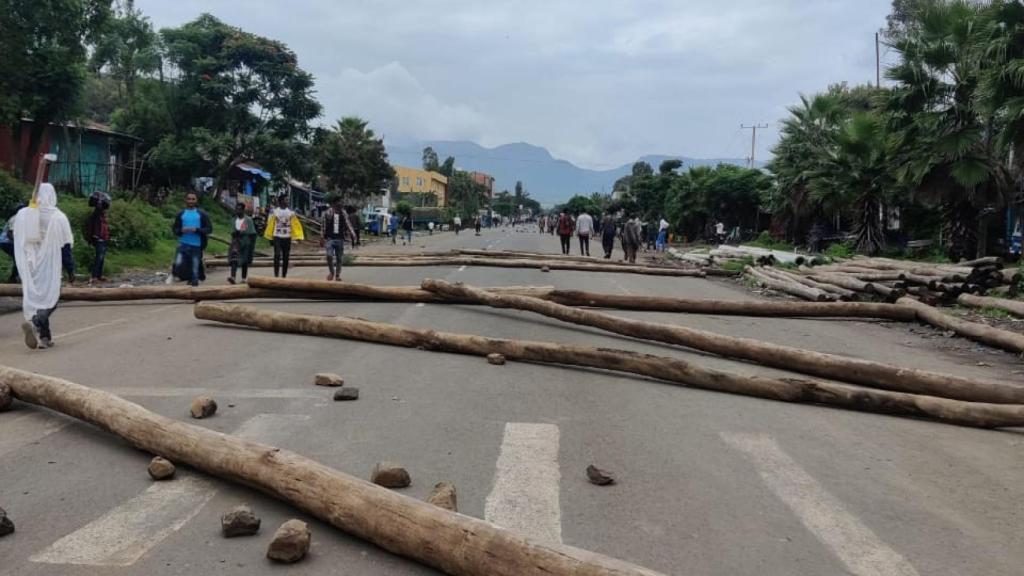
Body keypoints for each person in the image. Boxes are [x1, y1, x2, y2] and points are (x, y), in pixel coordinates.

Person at [13, 184, 73, 349]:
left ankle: (45, 338)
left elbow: (17, 237)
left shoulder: (24, 215)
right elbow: (65, 247)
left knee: (37, 299)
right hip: (49, 265)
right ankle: (37, 322)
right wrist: (71, 271)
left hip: (31, 264)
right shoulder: (58, 217)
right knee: (51, 299)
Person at [171, 192, 213, 286]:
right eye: (189, 199)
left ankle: (194, 288)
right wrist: (181, 231)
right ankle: (179, 276)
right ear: (186, 200)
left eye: (193, 199)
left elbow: (209, 229)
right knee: (178, 263)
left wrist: (197, 230)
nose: (191, 201)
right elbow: (175, 229)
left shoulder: (202, 214)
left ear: (196, 200)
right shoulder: (181, 214)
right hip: (183, 243)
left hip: (196, 245)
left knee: (195, 269)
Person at [264, 195, 304, 278]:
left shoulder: (291, 213)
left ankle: (284, 276)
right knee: (277, 255)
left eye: (288, 200)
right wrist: (270, 237)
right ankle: (276, 275)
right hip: (277, 236)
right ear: (281, 201)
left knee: (286, 257)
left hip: (287, 237)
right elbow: (270, 224)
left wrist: (298, 236)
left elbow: (296, 225)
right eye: (286, 200)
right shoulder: (275, 212)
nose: (288, 201)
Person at [321, 195, 356, 281]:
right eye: (340, 202)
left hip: (340, 238)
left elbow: (348, 224)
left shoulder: (343, 213)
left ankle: (337, 275)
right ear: (335, 203)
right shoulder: (328, 213)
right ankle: (331, 272)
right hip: (330, 238)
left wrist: (352, 234)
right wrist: (322, 237)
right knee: (329, 256)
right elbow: (323, 226)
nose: (342, 203)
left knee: (339, 258)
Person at [84, 191, 111, 284]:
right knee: (99, 257)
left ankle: (99, 275)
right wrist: (100, 198)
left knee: (102, 257)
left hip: (103, 238)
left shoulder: (102, 215)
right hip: (98, 238)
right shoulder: (97, 213)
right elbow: (98, 207)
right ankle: (94, 276)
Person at [227, 202, 257, 284]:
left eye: (239, 209)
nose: (237, 211)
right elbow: (232, 231)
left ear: (243, 210)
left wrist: (252, 245)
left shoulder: (248, 220)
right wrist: (234, 233)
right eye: (236, 209)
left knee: (244, 260)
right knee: (234, 258)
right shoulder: (234, 219)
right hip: (236, 241)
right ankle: (233, 276)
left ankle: (243, 278)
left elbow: (252, 233)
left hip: (246, 242)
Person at [1, 206, 22, 283]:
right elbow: (10, 234)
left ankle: (14, 277)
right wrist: (18, 243)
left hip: (9, 242)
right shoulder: (15, 218)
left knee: (18, 258)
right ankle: (14, 278)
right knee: (19, 257)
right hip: (6, 242)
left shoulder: (20, 218)